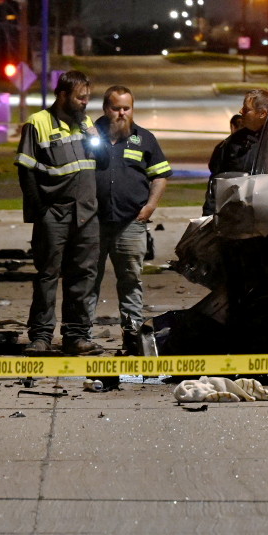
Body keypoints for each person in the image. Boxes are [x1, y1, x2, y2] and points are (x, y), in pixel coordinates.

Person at [15, 70, 106, 355]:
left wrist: (94, 135)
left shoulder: (86, 123)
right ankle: (41, 336)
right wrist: (41, 209)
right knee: (48, 275)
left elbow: (101, 163)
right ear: (63, 95)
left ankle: (76, 336)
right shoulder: (38, 123)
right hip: (54, 213)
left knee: (83, 276)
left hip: (86, 214)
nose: (85, 103)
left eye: (88, 98)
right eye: (80, 98)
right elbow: (25, 170)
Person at [89, 85, 172, 360]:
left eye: (127, 108)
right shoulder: (88, 135)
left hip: (130, 224)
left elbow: (160, 175)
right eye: (116, 108)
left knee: (130, 280)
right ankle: (81, 335)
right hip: (93, 223)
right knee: (88, 280)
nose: (122, 113)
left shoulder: (144, 138)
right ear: (105, 108)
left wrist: (150, 207)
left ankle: (132, 334)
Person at [202, 89, 268, 216]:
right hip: (234, 219)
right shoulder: (231, 143)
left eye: (246, 109)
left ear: (262, 113)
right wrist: (209, 216)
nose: (241, 112)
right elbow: (216, 183)